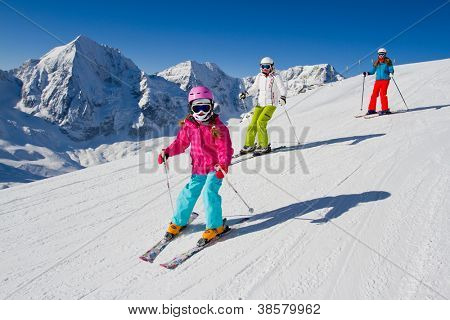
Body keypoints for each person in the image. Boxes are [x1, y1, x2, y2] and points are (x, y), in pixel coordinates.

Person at [158, 86, 233, 245]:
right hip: (198, 168)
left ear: (211, 106)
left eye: (204, 107)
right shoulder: (188, 126)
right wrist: (168, 152)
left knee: (209, 193)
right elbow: (181, 143)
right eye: (196, 107)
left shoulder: (218, 127)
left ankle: (215, 227)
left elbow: (225, 148)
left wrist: (223, 165)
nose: (200, 112)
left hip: (215, 169)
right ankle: (179, 221)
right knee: (188, 193)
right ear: (190, 108)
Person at [238, 57, 287, 156]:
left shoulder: (276, 76)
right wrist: (246, 93)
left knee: (261, 122)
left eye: (267, 66)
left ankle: (264, 146)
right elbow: (255, 88)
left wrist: (283, 97)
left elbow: (282, 88)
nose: (265, 68)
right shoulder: (259, 76)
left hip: (271, 104)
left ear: (272, 67)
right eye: (263, 66)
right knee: (252, 124)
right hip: (260, 104)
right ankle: (249, 145)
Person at [363, 48, 394, 115]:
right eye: (380, 54)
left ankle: (385, 109)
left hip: (385, 80)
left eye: (382, 54)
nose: (381, 56)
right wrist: (367, 73)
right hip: (378, 81)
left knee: (382, 94)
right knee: (374, 94)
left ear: (385, 54)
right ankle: (371, 109)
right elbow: (373, 71)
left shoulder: (388, 61)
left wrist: (391, 73)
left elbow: (391, 69)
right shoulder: (376, 62)